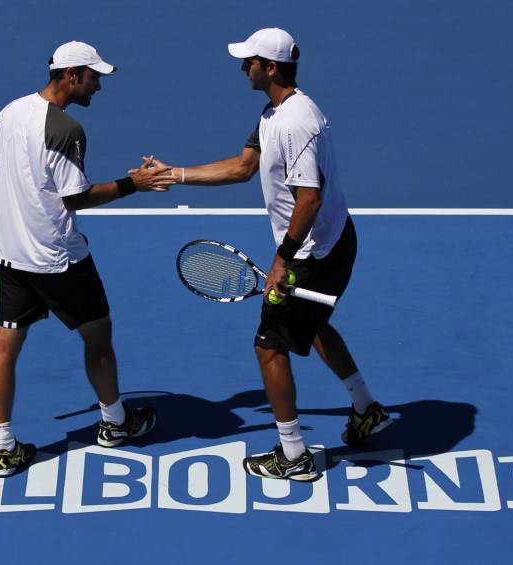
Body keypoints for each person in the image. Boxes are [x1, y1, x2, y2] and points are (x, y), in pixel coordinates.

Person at [151, 28, 391, 481]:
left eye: (250, 61)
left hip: (313, 254)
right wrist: (174, 174)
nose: (244, 67)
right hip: (329, 241)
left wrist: (283, 262)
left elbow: (309, 198)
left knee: (269, 347)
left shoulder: (295, 121)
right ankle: (366, 408)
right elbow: (243, 167)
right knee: (314, 325)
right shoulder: (273, 113)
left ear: (272, 67)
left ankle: (294, 455)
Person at [0, 40, 173, 477]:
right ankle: (115, 423)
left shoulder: (10, 112)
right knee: (98, 336)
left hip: (10, 258)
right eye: (94, 77)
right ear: (71, 75)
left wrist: (3, 225)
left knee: (5, 346)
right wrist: (133, 184)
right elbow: (77, 197)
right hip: (59, 261)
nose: (98, 87)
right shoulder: (67, 130)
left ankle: (4, 449)